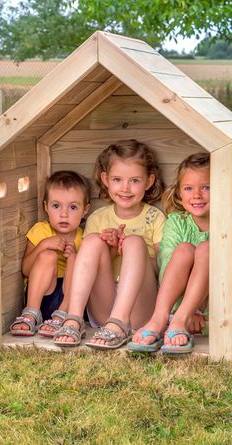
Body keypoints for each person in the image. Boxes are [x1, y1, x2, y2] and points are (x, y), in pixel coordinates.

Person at [53, 139, 166, 349]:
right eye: (117, 179)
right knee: (94, 241)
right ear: (105, 179)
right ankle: (74, 318)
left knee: (134, 241)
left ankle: (120, 323)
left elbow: (162, 270)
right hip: (104, 309)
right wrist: (113, 251)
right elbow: (88, 266)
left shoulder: (155, 218)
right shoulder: (98, 218)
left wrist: (130, 249)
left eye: (134, 181)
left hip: (140, 309)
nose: (125, 188)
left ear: (148, 182)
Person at [128, 152, 210, 355]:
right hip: (174, 305)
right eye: (189, 188)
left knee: (208, 249)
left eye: (206, 187)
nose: (197, 195)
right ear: (180, 194)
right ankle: (160, 318)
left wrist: (197, 311)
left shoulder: (226, 225)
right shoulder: (176, 222)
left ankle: (181, 320)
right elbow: (167, 270)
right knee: (183, 250)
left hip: (209, 309)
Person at [10, 171, 92, 337]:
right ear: (46, 206)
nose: (64, 214)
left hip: (72, 301)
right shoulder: (41, 230)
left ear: (85, 210)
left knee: (78, 260)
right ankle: (30, 313)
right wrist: (42, 245)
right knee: (48, 256)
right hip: (41, 296)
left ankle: (63, 314)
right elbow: (26, 270)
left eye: (73, 207)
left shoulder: (85, 238)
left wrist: (73, 257)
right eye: (56, 206)